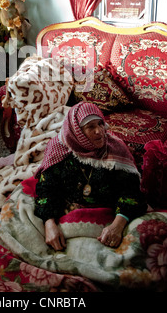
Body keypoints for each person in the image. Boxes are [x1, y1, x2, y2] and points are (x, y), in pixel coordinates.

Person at [34, 101, 147, 251]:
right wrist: (49, 224)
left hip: (109, 216)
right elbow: (47, 188)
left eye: (100, 124)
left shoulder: (115, 151)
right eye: (91, 127)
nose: (99, 131)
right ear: (76, 131)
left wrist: (117, 226)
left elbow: (131, 191)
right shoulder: (59, 149)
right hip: (64, 212)